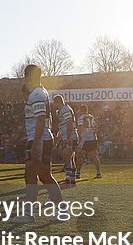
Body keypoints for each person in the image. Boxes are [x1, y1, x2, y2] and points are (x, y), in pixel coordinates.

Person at [16, 65, 64, 221]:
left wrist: (36, 144)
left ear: (28, 77)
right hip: (42, 138)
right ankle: (61, 210)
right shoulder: (41, 92)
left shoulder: (36, 94)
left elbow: (40, 120)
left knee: (31, 174)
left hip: (39, 139)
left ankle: (29, 213)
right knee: (44, 176)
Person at [52, 94, 78, 185]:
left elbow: (69, 123)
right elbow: (63, 125)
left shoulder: (65, 109)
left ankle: (69, 176)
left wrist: (68, 137)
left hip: (70, 136)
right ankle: (72, 177)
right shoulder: (62, 110)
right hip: (68, 136)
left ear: (57, 102)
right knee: (70, 157)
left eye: (54, 103)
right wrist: (59, 135)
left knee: (67, 156)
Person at [75, 104, 102, 179]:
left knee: (79, 155)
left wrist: (80, 137)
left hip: (85, 139)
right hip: (93, 138)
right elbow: (96, 127)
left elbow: (80, 128)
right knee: (93, 156)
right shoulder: (92, 117)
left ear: (81, 110)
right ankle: (98, 172)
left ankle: (78, 173)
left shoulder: (81, 118)